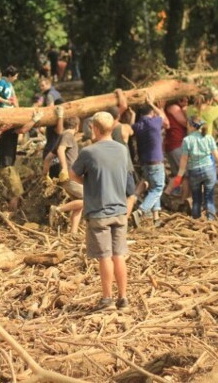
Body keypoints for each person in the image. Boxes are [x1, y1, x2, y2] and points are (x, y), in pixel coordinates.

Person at [70, 112, 132, 311]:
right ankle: (123, 298)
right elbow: (126, 173)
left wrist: (89, 182)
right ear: (112, 128)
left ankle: (107, 299)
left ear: (94, 129)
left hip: (99, 212)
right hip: (120, 210)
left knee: (105, 256)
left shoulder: (89, 152)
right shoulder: (123, 150)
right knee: (119, 255)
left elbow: (73, 175)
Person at [175, 115, 218, 220]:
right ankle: (210, 221)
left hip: (194, 171)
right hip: (209, 170)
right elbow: (216, 154)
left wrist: (179, 176)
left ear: (190, 125)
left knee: (196, 199)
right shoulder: (208, 137)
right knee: (209, 199)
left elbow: (184, 159)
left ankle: (196, 221)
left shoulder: (187, 140)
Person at [129, 94, 169, 227]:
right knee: (158, 188)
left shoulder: (138, 126)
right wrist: (153, 104)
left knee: (152, 188)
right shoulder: (155, 122)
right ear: (151, 112)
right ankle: (141, 211)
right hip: (156, 162)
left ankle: (156, 218)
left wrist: (133, 115)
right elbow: (164, 119)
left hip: (144, 163)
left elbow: (131, 128)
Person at [47, 115, 85, 234]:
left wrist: (45, 173)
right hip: (69, 174)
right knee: (87, 199)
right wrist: (64, 168)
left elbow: (49, 157)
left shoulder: (62, 135)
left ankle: (73, 233)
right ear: (77, 126)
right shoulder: (68, 135)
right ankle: (57, 209)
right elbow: (60, 150)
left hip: (67, 175)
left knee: (79, 204)